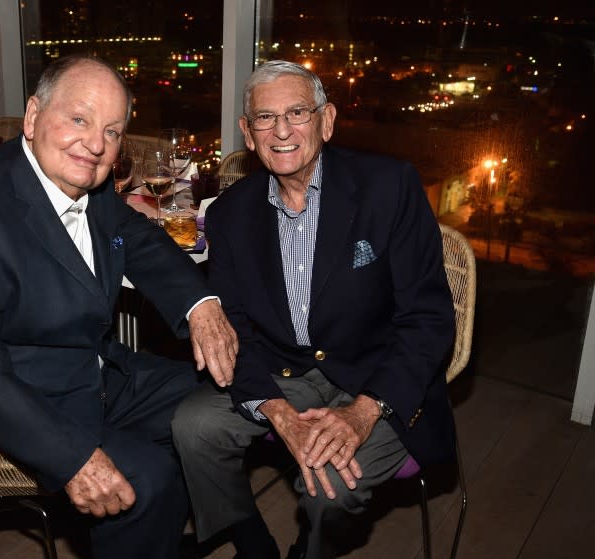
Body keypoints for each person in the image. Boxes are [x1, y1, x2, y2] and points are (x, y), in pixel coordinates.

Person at [0, 54, 238, 559]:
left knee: (227, 398)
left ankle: (188, 533)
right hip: (16, 400)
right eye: (79, 120)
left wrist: (201, 303)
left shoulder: (84, 179)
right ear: (34, 115)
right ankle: (151, 523)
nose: (95, 145)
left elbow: (137, 237)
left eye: (112, 131)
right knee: (148, 480)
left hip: (87, 367)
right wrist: (72, 458)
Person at [172, 60, 456, 559]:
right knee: (193, 427)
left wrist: (365, 411)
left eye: (297, 112)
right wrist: (280, 413)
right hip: (286, 369)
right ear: (247, 131)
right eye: (264, 118)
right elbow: (236, 324)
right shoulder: (231, 213)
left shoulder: (389, 186)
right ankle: (251, 543)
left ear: (326, 120)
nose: (281, 130)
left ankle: (310, 551)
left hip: (377, 371)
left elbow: (427, 318)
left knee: (329, 488)